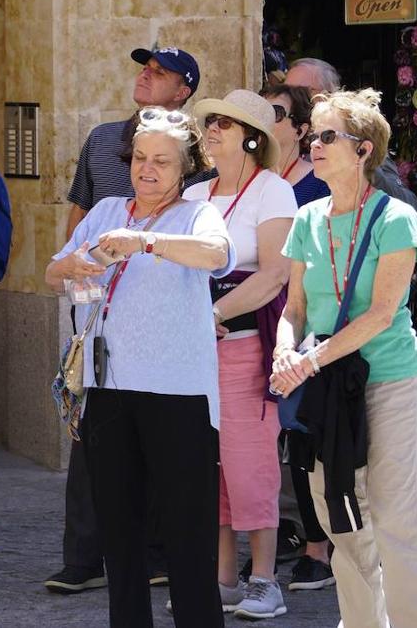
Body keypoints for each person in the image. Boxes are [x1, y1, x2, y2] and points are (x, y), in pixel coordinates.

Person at [47, 107, 234, 627]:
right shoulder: (106, 208)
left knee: (187, 537)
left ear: (185, 169)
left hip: (179, 395)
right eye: (140, 158)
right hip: (106, 389)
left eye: (162, 161)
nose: (147, 169)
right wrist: (75, 264)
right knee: (120, 540)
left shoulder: (197, 212)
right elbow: (51, 271)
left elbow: (216, 254)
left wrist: (146, 242)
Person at [271, 88, 417, 628]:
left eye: (327, 136)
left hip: (388, 381)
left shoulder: (396, 218)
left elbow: (379, 314)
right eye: (312, 134)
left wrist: (309, 359)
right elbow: (294, 307)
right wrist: (284, 347)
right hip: (328, 387)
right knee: (342, 520)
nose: (314, 144)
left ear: (364, 149)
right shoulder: (306, 220)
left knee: (399, 523)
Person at [185, 90, 297, 619]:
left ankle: (265, 580)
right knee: (210, 467)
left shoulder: (272, 190)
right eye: (209, 123)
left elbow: (275, 274)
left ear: (251, 137)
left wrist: (214, 314)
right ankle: (223, 579)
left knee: (250, 463)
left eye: (224, 124)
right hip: (191, 352)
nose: (210, 131)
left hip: (247, 346)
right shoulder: (195, 194)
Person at [260, 82, 336, 592]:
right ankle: (281, 538)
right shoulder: (261, 182)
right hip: (260, 319)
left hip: (302, 321)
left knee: (304, 432)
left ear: (301, 128)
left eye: (277, 113)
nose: (266, 120)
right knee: (268, 439)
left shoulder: (315, 187)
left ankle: (319, 547)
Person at [285, 58, 417, 210]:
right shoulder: (278, 142)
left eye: (298, 92)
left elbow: (407, 203)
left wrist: (360, 162)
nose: (288, 99)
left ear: (324, 97)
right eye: (285, 90)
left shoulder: (352, 141)